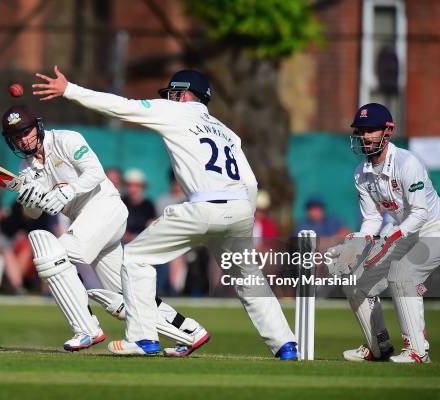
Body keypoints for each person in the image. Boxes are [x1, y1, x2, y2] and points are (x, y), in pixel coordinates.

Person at [32, 66, 298, 359]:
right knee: (249, 278)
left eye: (172, 94)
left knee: (135, 258)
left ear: (184, 94)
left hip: (203, 206)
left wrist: (70, 90)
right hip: (239, 209)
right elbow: (250, 182)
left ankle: (142, 338)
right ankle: (285, 345)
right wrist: (244, 222)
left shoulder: (175, 112)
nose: (169, 99)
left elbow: (121, 107)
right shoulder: (226, 131)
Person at [2, 104, 210, 354]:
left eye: (27, 132)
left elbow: (96, 173)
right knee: (126, 293)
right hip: (85, 223)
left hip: (105, 208)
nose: (24, 140)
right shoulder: (25, 170)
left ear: (37, 126)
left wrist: (68, 190)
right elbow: (35, 213)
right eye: (17, 136)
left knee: (54, 255)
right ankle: (190, 331)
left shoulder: (66, 139)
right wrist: (28, 203)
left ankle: (86, 328)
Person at [327, 103, 440, 363]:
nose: (365, 136)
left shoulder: (407, 163)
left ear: (387, 132)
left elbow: (420, 213)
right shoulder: (361, 174)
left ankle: (417, 351)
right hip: (403, 232)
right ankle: (378, 347)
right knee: (355, 280)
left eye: (371, 130)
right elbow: (373, 218)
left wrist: (391, 238)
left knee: (403, 274)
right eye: (361, 130)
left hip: (439, 229)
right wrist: (357, 244)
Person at [121, 169, 156, 243]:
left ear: (143, 187)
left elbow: (152, 226)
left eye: (137, 186)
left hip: (143, 242)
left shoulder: (149, 205)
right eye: (130, 185)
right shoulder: (121, 203)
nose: (133, 189)